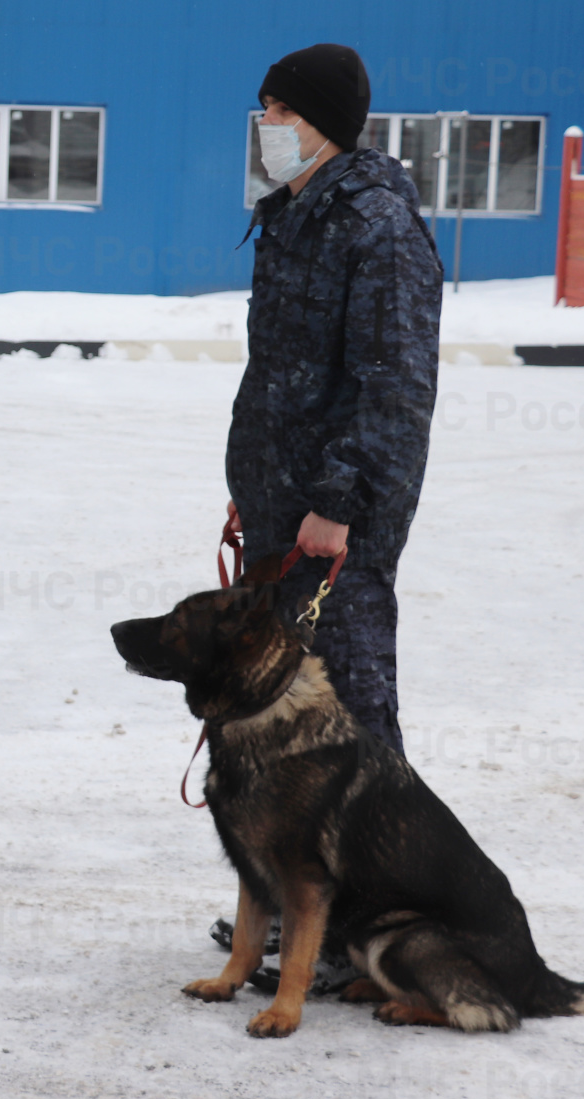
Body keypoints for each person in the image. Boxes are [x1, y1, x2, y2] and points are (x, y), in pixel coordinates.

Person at [215, 42, 442, 984]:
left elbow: (392, 385)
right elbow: (278, 376)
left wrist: (341, 505)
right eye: (261, 107)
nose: (262, 125)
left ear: (319, 124)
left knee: (349, 722)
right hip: (282, 510)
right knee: (281, 727)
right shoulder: (295, 213)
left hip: (336, 522)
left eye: (275, 108)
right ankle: (288, 907)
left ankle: (368, 925)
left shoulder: (378, 226)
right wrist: (252, 482)